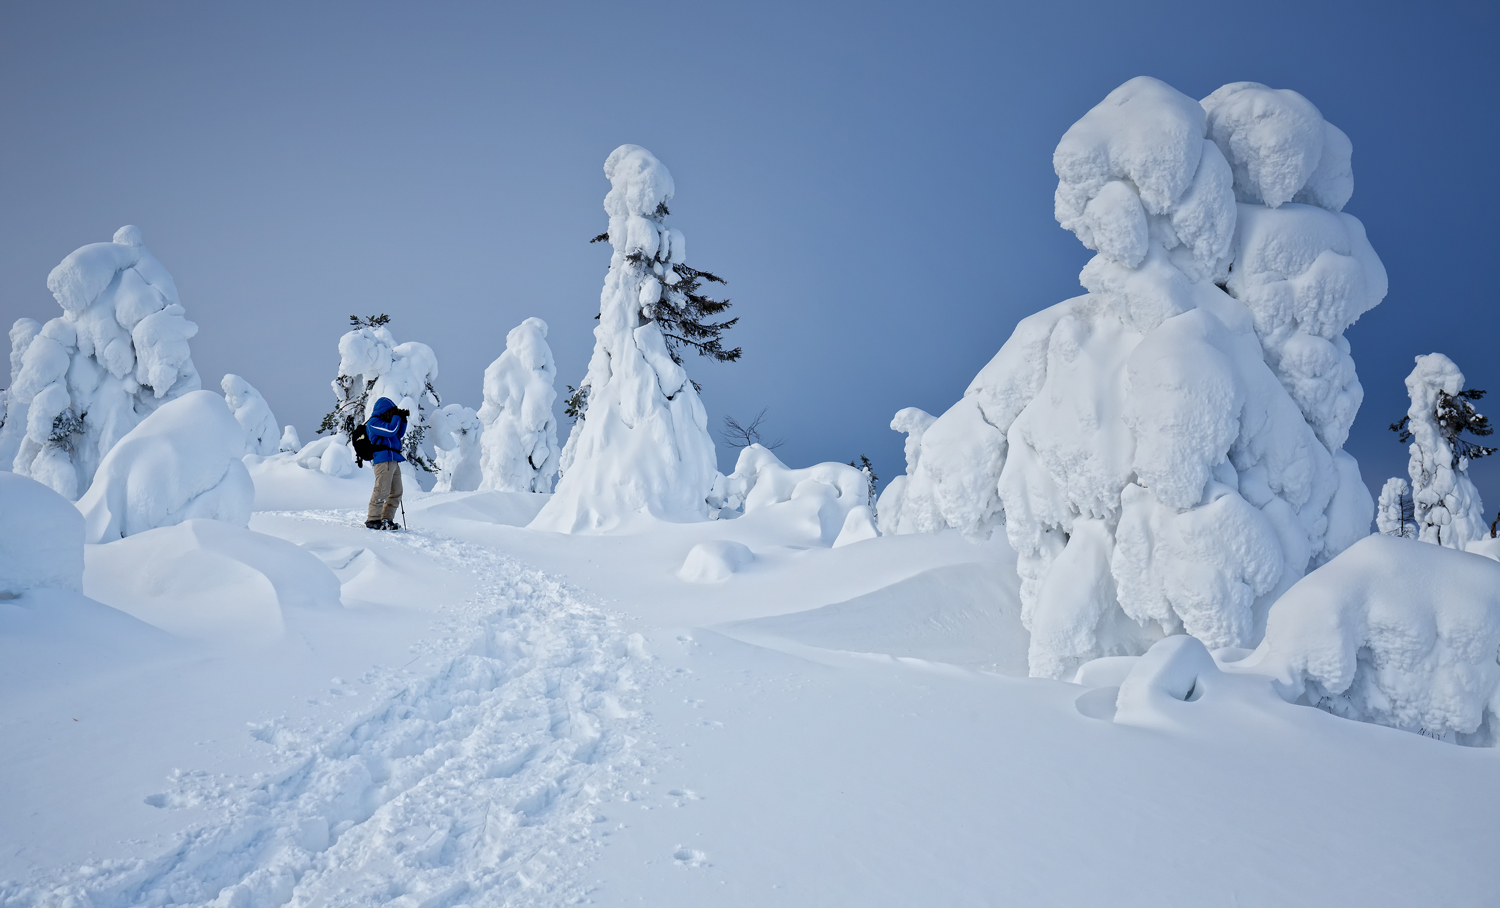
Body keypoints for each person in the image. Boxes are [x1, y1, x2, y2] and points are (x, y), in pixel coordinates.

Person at [365, 397, 409, 530]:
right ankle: (373, 519)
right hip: (383, 460)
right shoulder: (373, 422)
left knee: (397, 491)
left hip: (393, 459)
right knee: (382, 490)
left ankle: (387, 519)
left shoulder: (386, 422)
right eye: (391, 411)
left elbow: (398, 434)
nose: (392, 414)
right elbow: (391, 431)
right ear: (384, 410)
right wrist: (397, 416)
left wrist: (403, 419)